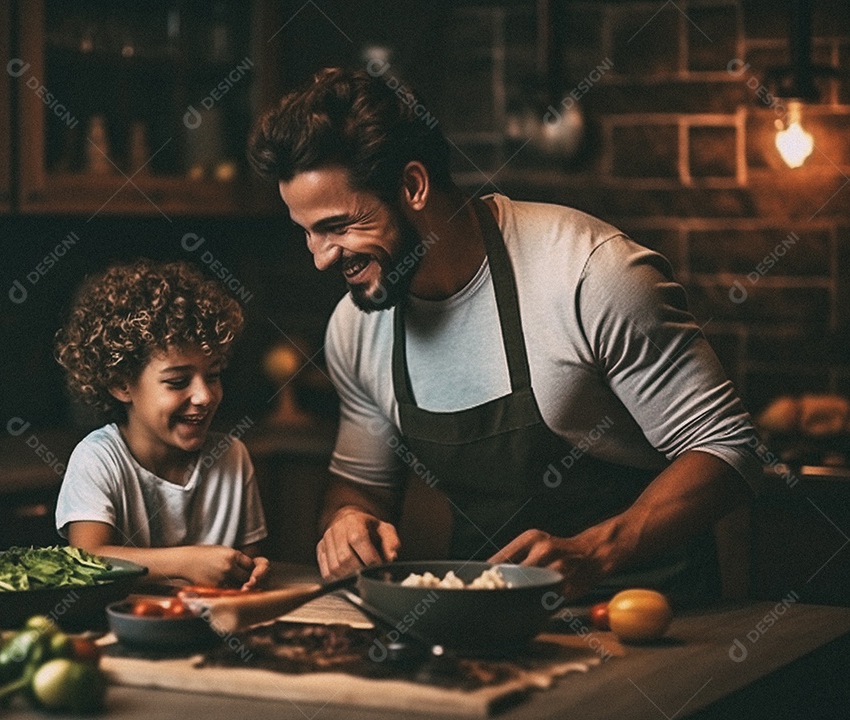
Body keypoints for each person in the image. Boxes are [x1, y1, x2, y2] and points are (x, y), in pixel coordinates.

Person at [248, 68, 763, 600]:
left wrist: (595, 551)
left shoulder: (589, 274)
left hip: (655, 618)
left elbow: (729, 449)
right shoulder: (356, 328)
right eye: (306, 232)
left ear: (413, 186)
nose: (320, 258)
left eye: (337, 226)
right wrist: (347, 520)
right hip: (491, 625)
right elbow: (362, 485)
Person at [53, 260, 269, 589]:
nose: (204, 396)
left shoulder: (232, 457)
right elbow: (86, 560)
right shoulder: (97, 459)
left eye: (212, 375)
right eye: (178, 381)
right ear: (122, 385)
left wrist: (251, 570)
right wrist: (185, 563)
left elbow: (246, 567)